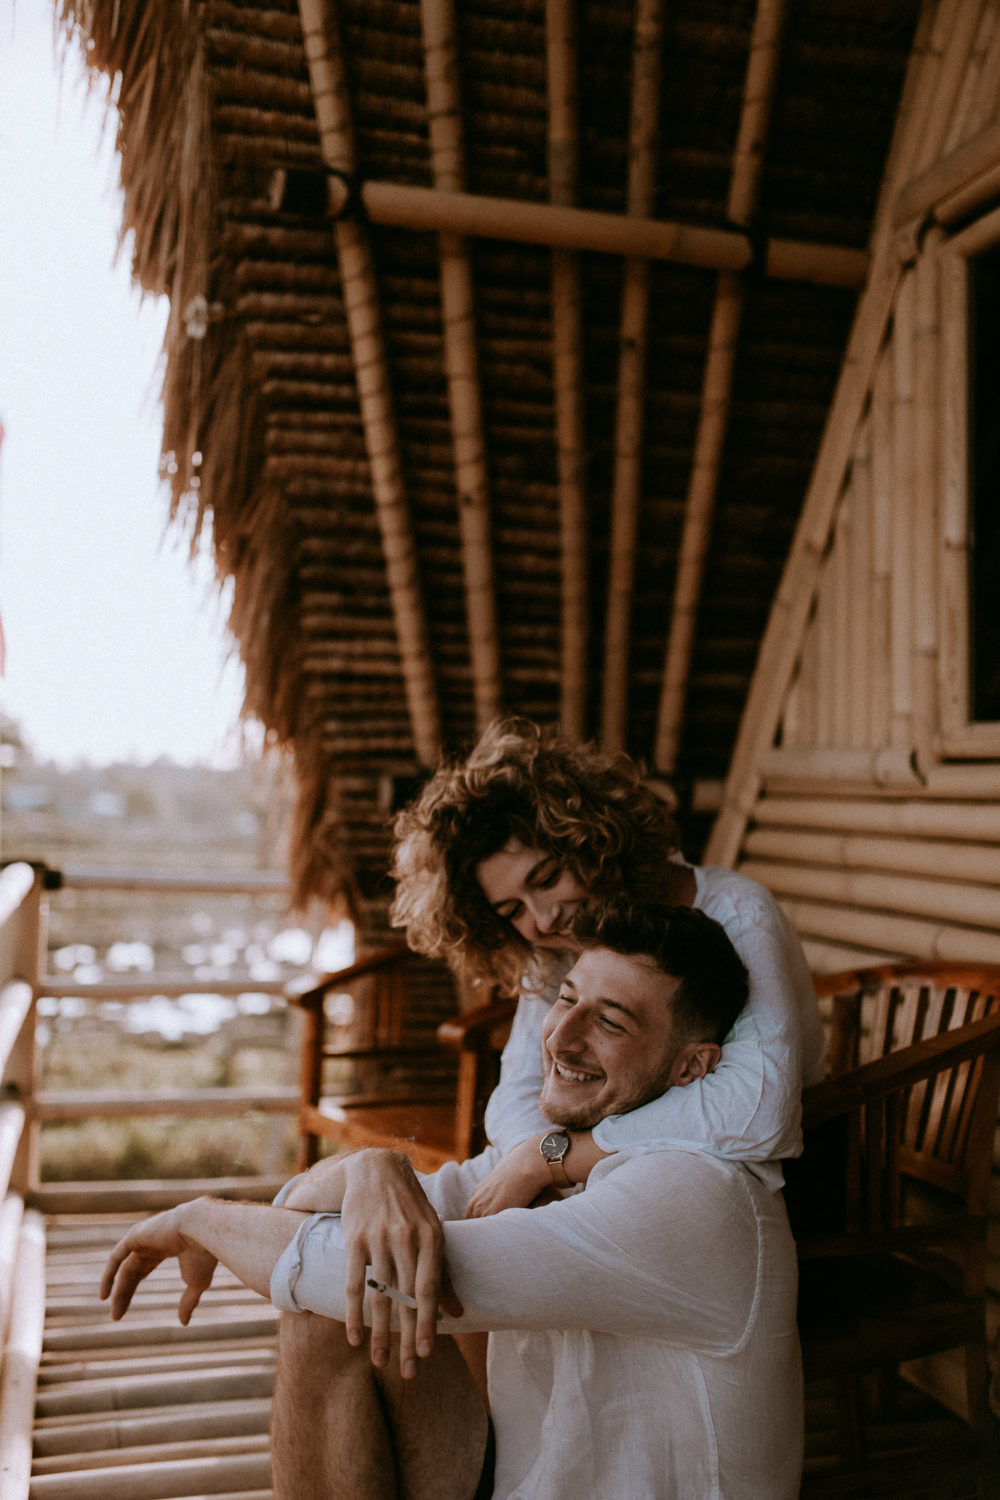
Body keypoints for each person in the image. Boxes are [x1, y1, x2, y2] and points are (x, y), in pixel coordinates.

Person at [101, 900, 804, 1499]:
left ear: (692, 1067)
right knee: (331, 1312)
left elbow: (343, 1272)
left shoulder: (690, 1197)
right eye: (566, 999)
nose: (562, 1037)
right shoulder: (547, 1159)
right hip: (522, 1479)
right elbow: (305, 1213)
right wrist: (373, 1167)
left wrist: (199, 1217)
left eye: (612, 1022)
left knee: (346, 1288)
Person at [391, 716, 826, 1210]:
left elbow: (759, 1110)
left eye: (548, 877)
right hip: (622, 1182)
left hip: (768, 1188)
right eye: (512, 911)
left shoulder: (737, 910)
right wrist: (542, 1172)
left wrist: (551, 1159)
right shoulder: (565, 946)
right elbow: (517, 1092)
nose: (544, 918)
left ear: (590, 838)